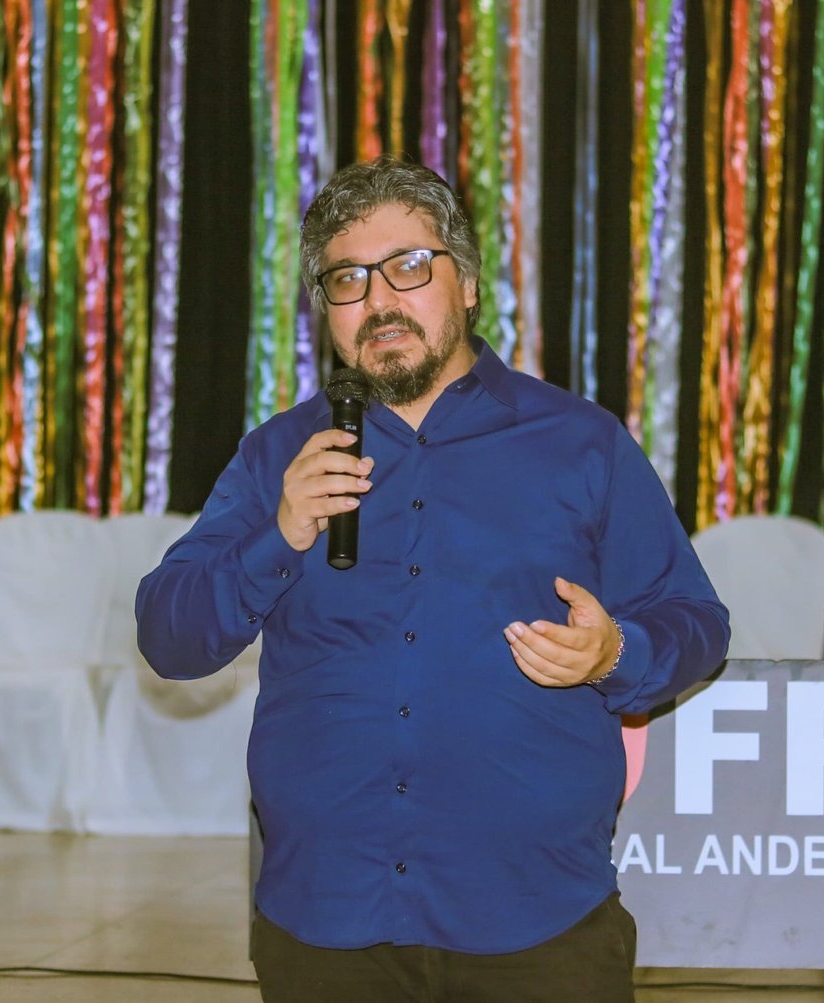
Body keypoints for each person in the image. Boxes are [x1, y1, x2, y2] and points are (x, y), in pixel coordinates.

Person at [136, 156, 729, 1001]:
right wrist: (281, 533)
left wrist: (614, 653)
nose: (379, 299)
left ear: (469, 284)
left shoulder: (579, 443)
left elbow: (695, 619)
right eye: (348, 279)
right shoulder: (281, 456)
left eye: (409, 266)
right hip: (326, 920)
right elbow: (169, 637)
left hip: (536, 919)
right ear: (327, 312)